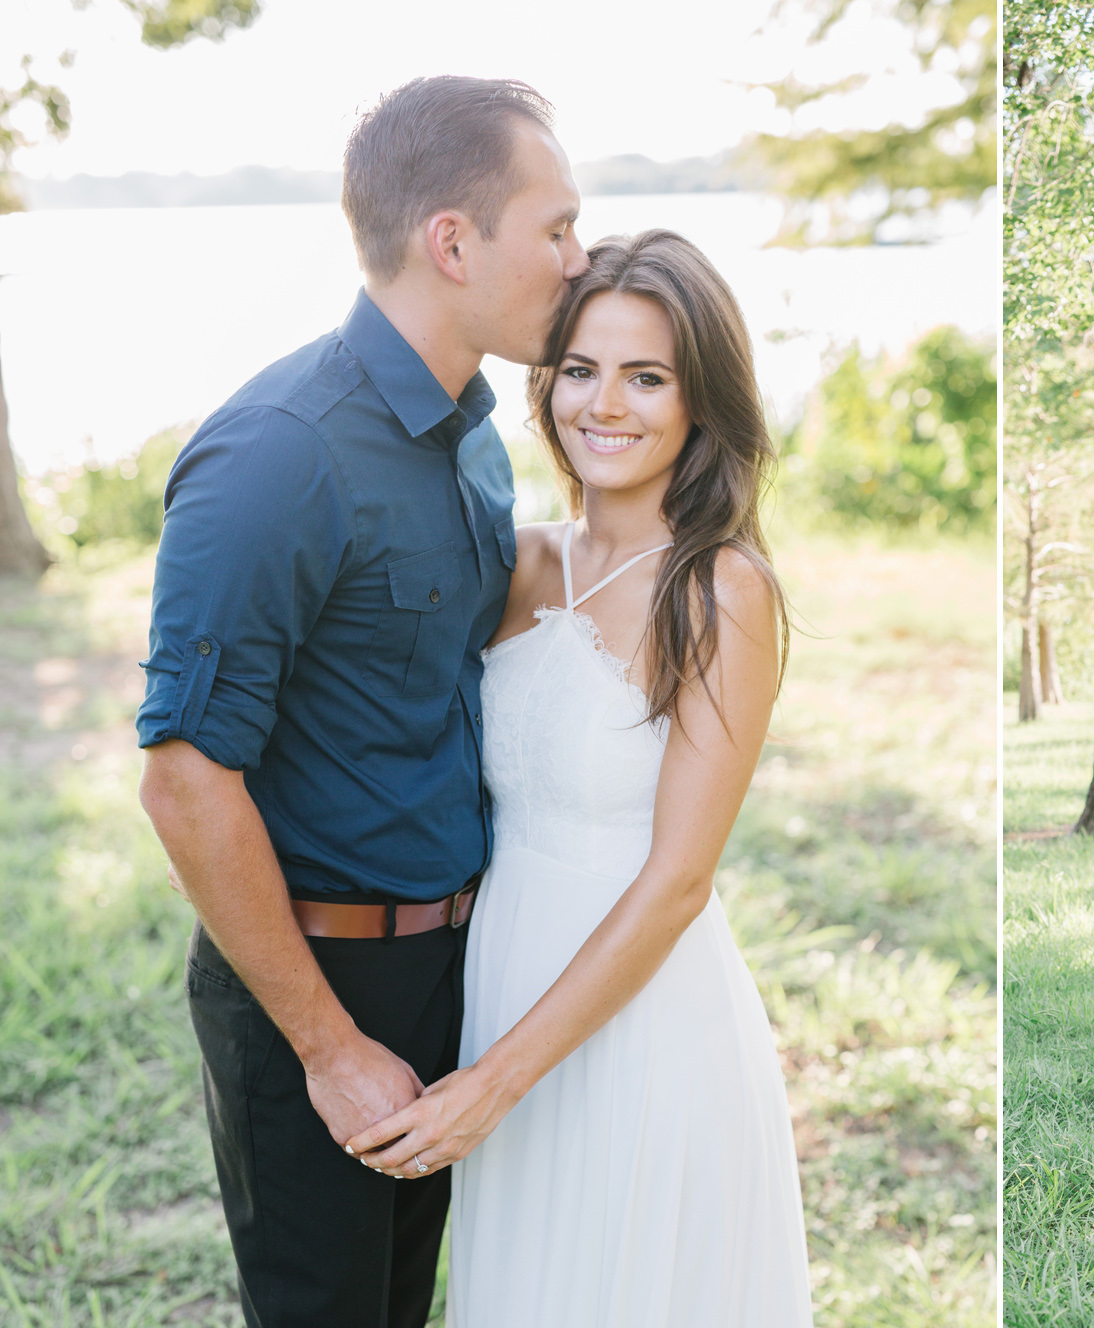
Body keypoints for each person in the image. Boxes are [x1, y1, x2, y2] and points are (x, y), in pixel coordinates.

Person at [136, 76, 585, 1325]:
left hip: (456, 965)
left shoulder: (475, 436)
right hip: (313, 980)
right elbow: (183, 778)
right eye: (553, 228)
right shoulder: (278, 452)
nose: (576, 256)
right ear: (454, 241)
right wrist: (331, 1049)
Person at [343, 230, 814, 1326]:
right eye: (581, 369)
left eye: (646, 375)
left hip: (643, 1021)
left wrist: (492, 1082)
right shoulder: (515, 560)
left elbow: (679, 878)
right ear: (543, 380)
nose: (605, 403)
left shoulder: (720, 588)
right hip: (503, 975)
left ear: (702, 398)